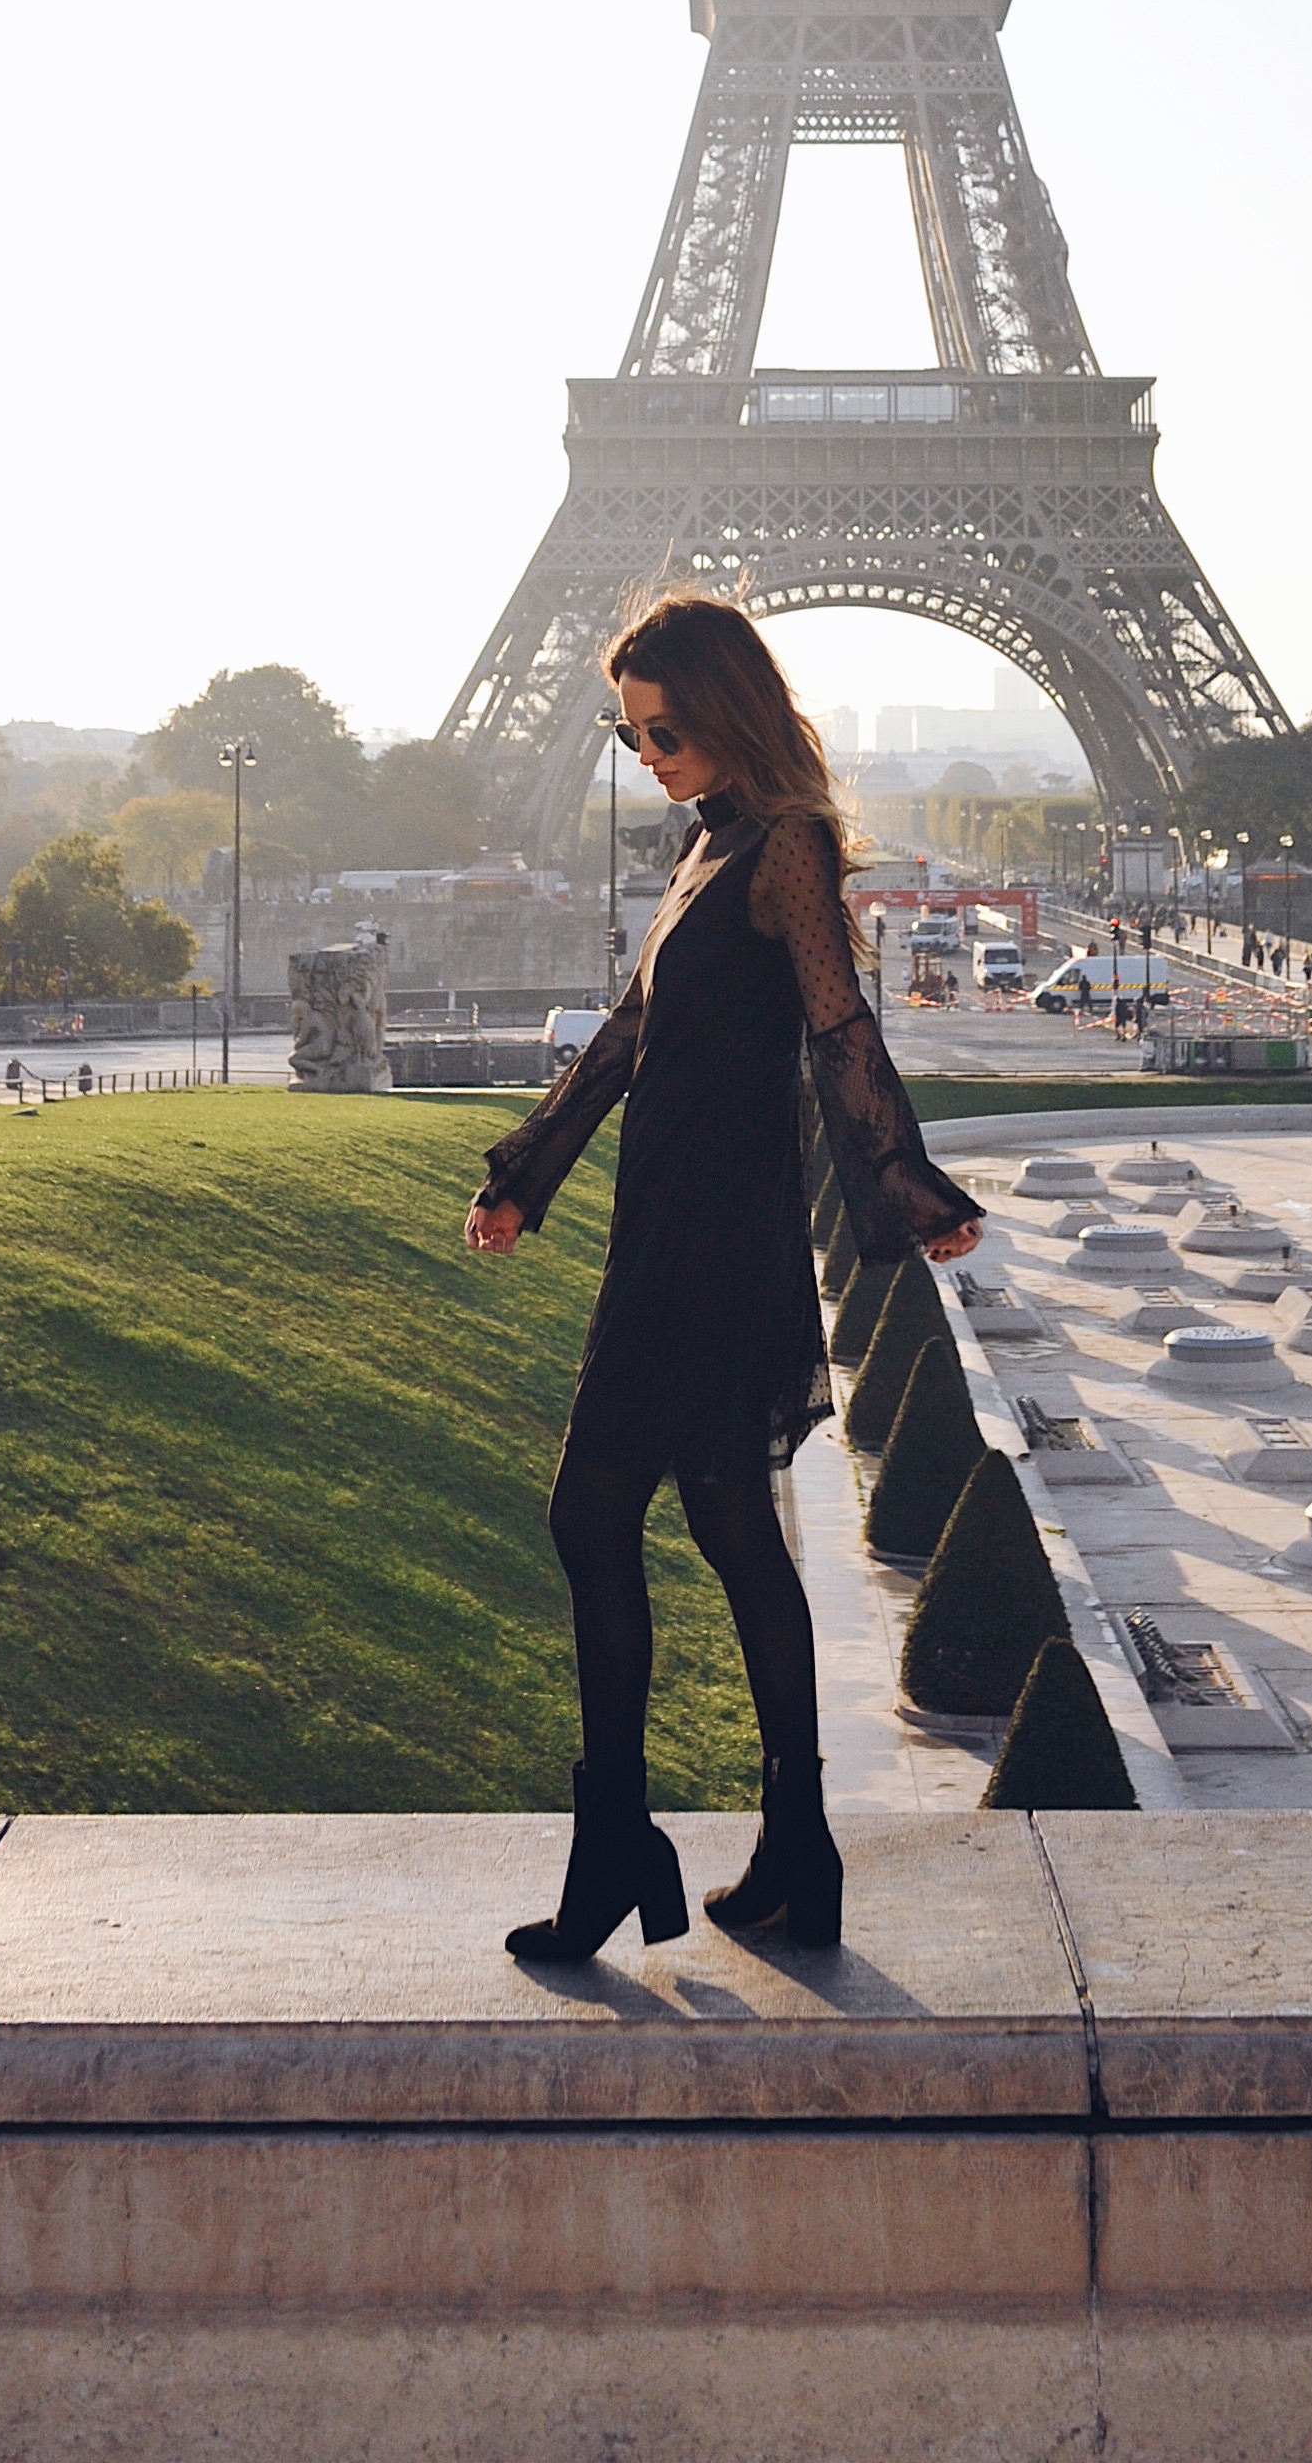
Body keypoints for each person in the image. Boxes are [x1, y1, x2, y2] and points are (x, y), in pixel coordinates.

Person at [466, 595, 981, 1967]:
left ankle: (617, 1844)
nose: (647, 753)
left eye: (666, 728)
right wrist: (528, 1168)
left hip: (714, 1242)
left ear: (727, 703)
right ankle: (795, 1852)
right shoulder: (708, 845)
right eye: (630, 733)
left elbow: (838, 1025)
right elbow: (633, 1030)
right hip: (666, 1224)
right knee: (729, 1527)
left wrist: (905, 1187)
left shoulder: (787, 847)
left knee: (591, 1516)